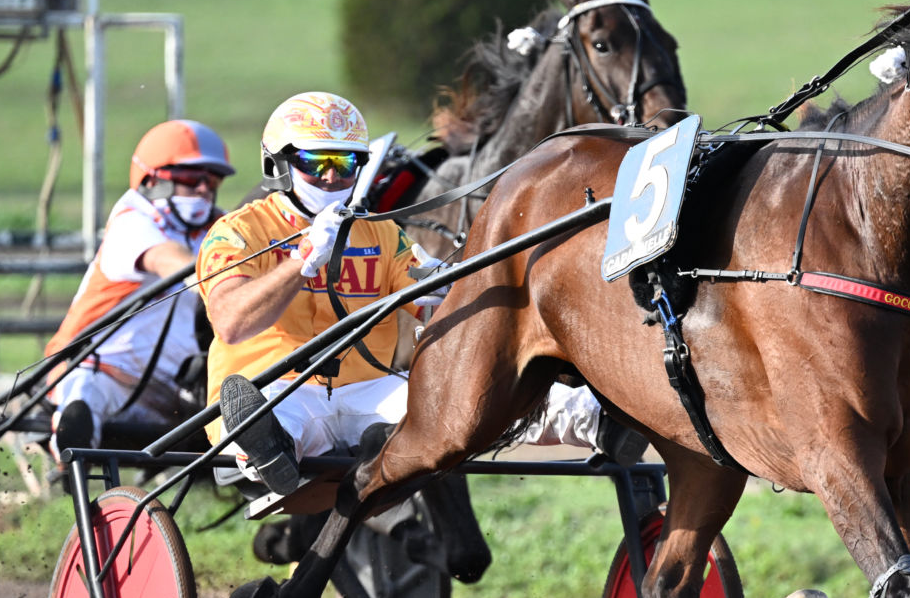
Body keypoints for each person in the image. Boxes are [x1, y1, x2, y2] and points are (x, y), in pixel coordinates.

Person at [196, 91, 643, 503]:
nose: (332, 178)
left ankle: (597, 419)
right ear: (279, 165)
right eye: (318, 163)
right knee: (283, 418)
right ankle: (262, 447)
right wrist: (304, 262)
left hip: (363, 391)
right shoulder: (237, 232)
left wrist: (465, 273)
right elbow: (232, 321)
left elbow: (432, 297)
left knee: (457, 397)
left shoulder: (381, 232)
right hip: (274, 387)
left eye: (346, 164)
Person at [46, 119, 235, 462]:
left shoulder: (216, 225)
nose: (205, 190)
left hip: (169, 382)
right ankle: (70, 436)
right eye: (192, 179)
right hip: (99, 365)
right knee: (86, 390)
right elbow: (173, 263)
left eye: (213, 180)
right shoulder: (132, 222)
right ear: (152, 180)